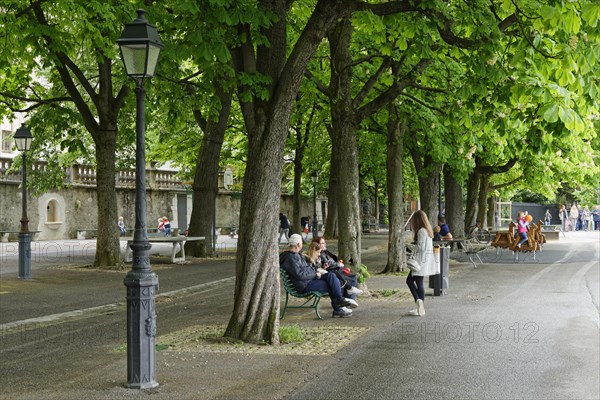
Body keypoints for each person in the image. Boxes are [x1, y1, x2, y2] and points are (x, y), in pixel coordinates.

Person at [279, 234, 353, 318]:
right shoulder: (291, 258)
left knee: (331, 275)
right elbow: (300, 275)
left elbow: (305, 270)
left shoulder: (294, 255)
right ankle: (338, 308)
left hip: (308, 281)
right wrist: (314, 273)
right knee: (332, 283)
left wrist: (316, 270)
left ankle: (339, 302)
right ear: (298, 244)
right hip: (304, 285)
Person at [304, 241, 358, 312]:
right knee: (333, 280)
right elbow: (309, 272)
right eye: (318, 252)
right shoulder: (307, 259)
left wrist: (322, 267)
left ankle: (342, 302)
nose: (319, 254)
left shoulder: (316, 258)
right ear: (313, 251)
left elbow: (316, 269)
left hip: (317, 277)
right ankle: (340, 303)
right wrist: (317, 272)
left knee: (335, 277)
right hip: (311, 281)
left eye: (320, 252)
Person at [405, 210, 438, 317]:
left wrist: (408, 246)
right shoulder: (427, 231)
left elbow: (420, 248)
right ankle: (420, 306)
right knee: (417, 282)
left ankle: (420, 305)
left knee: (412, 281)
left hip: (419, 262)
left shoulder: (421, 231)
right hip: (424, 261)